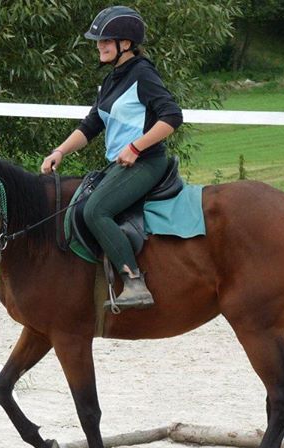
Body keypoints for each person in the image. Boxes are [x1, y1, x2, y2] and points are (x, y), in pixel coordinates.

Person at [40, 5, 183, 310]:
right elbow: (92, 124)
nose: (100, 46)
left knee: (95, 211)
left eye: (107, 41)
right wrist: (60, 151)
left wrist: (136, 147)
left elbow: (172, 116)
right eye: (99, 41)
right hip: (120, 164)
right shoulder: (112, 79)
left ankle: (133, 281)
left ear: (126, 44)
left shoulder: (142, 74)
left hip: (146, 162)